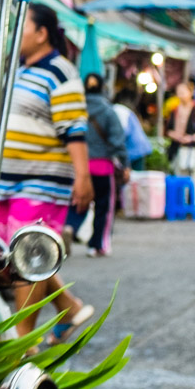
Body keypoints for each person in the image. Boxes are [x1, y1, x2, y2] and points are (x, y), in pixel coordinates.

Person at [0, 3, 94, 338]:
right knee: (16, 252)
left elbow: (74, 130)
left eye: (20, 27)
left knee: (28, 253)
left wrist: (83, 177)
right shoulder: (20, 69)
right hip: (6, 180)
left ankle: (25, 343)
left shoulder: (60, 72)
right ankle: (68, 304)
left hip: (42, 179)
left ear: (41, 33)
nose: (13, 35)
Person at [63, 72, 124, 258]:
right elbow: (117, 141)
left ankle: (68, 227)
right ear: (103, 87)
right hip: (102, 167)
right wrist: (125, 162)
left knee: (77, 203)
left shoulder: (76, 109)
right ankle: (97, 246)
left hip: (78, 166)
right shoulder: (108, 111)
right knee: (103, 208)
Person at [166, 81, 195, 172]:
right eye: (179, 92)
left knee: (193, 176)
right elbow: (168, 130)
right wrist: (176, 136)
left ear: (191, 92)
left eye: (183, 92)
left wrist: (191, 138)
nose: (181, 94)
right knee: (178, 173)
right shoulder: (174, 110)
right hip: (177, 147)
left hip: (193, 149)